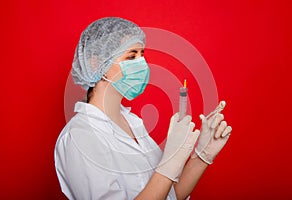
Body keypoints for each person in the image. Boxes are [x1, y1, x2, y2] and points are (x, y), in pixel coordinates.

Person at [54, 17, 232, 200]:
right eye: (131, 56)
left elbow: (168, 196)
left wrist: (201, 157)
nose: (141, 64)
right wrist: (167, 166)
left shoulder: (133, 122)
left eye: (142, 54)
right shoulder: (80, 137)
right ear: (96, 64)